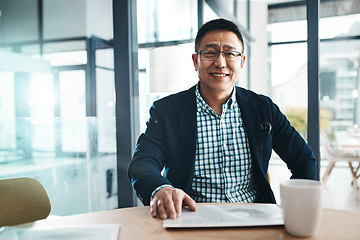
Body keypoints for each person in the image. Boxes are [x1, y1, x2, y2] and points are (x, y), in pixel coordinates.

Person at [128, 18, 316, 220]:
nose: (220, 62)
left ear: (241, 61)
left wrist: (297, 205)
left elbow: (304, 160)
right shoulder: (166, 110)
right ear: (195, 61)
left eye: (230, 53)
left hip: (254, 219)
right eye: (210, 53)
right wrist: (160, 189)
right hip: (189, 218)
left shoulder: (263, 108)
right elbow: (142, 163)